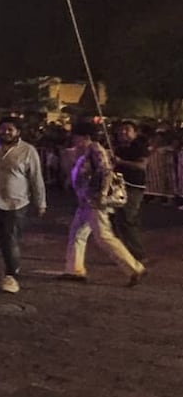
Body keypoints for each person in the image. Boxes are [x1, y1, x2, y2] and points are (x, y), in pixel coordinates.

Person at [59, 122, 146, 286]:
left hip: (94, 200)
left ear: (85, 137)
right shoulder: (84, 151)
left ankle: (135, 268)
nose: (73, 139)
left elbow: (106, 172)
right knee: (77, 233)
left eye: (76, 136)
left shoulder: (95, 149)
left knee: (103, 236)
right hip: (86, 200)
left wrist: (102, 194)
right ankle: (74, 270)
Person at [0, 117, 46, 293]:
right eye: (3, 129)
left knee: (9, 237)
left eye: (10, 129)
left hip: (16, 202)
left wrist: (40, 202)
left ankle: (11, 274)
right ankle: (12, 264)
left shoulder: (28, 151)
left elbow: (36, 178)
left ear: (17, 132)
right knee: (1, 237)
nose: (6, 132)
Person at [111, 121, 149, 264]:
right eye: (121, 130)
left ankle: (138, 254)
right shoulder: (118, 147)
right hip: (118, 186)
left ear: (135, 132)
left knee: (128, 219)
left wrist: (121, 162)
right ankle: (125, 253)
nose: (123, 133)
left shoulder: (138, 147)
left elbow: (141, 166)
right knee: (118, 220)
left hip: (133, 187)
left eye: (127, 130)